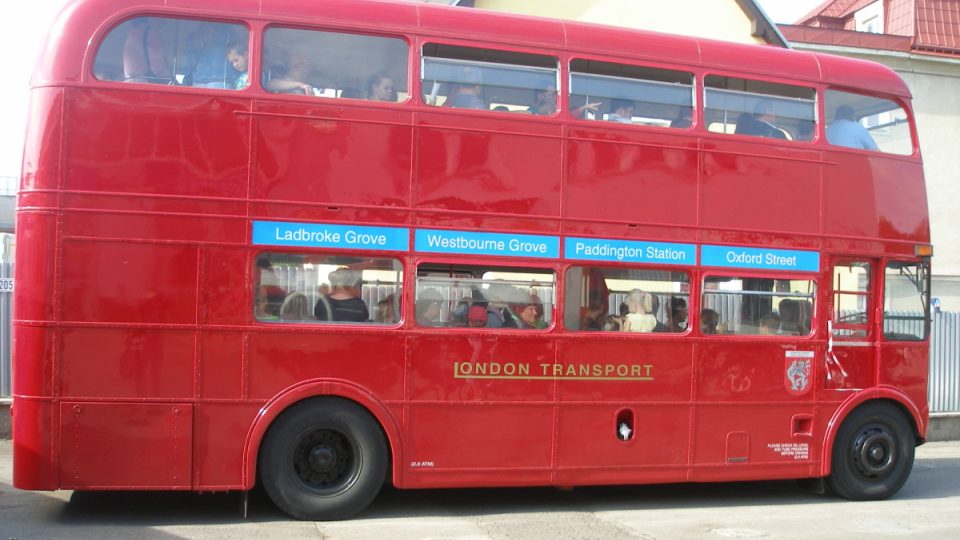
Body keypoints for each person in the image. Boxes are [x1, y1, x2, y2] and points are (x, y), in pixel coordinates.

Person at [122, 18, 173, 83]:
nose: (165, 23)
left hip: (132, 83)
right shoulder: (152, 33)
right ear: (152, 19)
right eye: (162, 18)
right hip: (144, 85)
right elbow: (158, 67)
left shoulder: (133, 34)